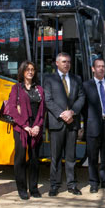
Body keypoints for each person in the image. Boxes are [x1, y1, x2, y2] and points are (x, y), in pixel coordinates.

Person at [44, 52, 85, 196]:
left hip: (72, 123)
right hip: (57, 123)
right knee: (55, 157)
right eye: (63, 61)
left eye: (68, 61)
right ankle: (54, 185)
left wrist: (72, 112)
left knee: (71, 156)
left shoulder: (76, 79)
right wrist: (63, 114)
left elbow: (81, 97)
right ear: (57, 63)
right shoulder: (49, 79)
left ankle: (72, 185)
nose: (66, 64)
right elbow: (48, 100)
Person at [7, 61, 45, 200]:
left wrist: (37, 126)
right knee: (20, 160)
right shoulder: (16, 88)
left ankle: (34, 188)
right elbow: (12, 109)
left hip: (35, 129)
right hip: (21, 129)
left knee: (35, 160)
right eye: (27, 69)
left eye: (32, 69)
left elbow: (42, 111)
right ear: (22, 71)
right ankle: (22, 190)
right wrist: (25, 126)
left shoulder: (39, 89)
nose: (30, 72)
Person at [82, 58, 105, 193]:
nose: (101, 69)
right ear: (93, 69)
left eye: (103, 66)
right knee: (92, 156)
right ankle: (93, 183)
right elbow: (83, 106)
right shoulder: (86, 86)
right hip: (93, 126)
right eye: (98, 66)